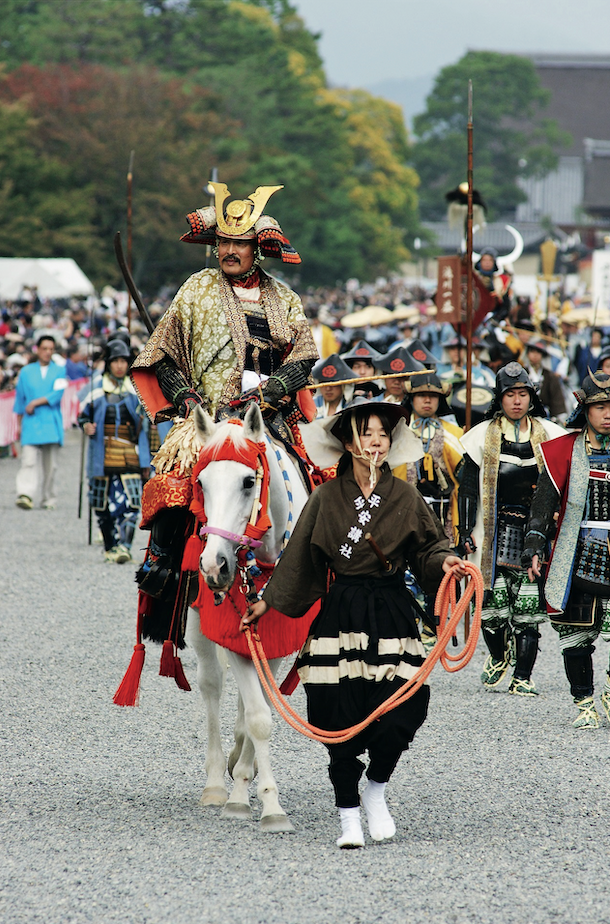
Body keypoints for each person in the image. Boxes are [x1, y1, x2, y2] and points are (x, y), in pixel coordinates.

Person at [242, 400, 465, 848]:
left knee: (405, 707)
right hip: (339, 611)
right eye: (367, 433)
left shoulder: (403, 495)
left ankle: (376, 789)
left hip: (391, 609)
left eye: (383, 433)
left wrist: (446, 564)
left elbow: (428, 548)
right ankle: (347, 814)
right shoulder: (327, 496)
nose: (376, 441)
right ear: (348, 442)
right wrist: (266, 603)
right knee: (334, 713)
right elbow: (299, 558)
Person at [130, 183, 318, 597]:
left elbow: (304, 357)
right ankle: (162, 562)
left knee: (321, 479)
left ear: (258, 248)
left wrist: (269, 393)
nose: (230, 250)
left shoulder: (283, 297)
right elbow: (161, 354)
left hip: (267, 418)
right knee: (175, 477)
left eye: (241, 243)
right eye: (224, 242)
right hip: (206, 418)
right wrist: (185, 397)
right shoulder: (196, 288)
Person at [458, 363, 565, 696]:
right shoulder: (480, 437)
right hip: (491, 529)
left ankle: (523, 674)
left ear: (531, 397)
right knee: (489, 609)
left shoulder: (551, 436)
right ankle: (498, 655)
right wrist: (463, 532)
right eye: (510, 395)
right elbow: (467, 489)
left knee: (528, 611)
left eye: (522, 394)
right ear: (499, 399)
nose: (516, 401)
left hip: (535, 531)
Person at [523, 371, 610, 728]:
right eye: (600, 406)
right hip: (576, 552)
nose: (608, 413)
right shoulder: (562, 452)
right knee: (576, 633)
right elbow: (543, 504)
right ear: (584, 410)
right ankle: (585, 701)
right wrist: (534, 544)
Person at [79, 338, 150, 563]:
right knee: (100, 502)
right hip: (102, 455)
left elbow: (146, 428)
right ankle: (111, 546)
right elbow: (82, 416)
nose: (119, 366)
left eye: (123, 361)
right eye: (115, 361)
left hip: (130, 455)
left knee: (132, 502)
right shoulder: (96, 392)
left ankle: (125, 547)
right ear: (108, 363)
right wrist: (85, 425)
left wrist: (146, 462)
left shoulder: (137, 392)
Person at [13, 334, 67, 510]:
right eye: (44, 349)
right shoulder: (26, 371)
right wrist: (18, 424)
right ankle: (25, 493)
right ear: (37, 349)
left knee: (50, 466)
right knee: (28, 460)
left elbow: (57, 394)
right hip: (30, 421)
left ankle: (48, 498)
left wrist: (35, 402)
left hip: (50, 420)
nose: (48, 352)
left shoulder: (59, 370)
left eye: (51, 349)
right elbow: (20, 399)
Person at [522, 340, 567, 422]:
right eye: (532, 351)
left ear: (542, 355)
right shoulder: (522, 374)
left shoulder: (550, 376)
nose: (535, 355)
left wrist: (556, 418)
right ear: (528, 354)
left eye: (538, 352)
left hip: (545, 417)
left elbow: (557, 400)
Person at [312, 353, 357, 418]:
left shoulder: (352, 407)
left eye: (333, 383)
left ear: (343, 385)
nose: (328, 388)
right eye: (323, 383)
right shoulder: (311, 406)